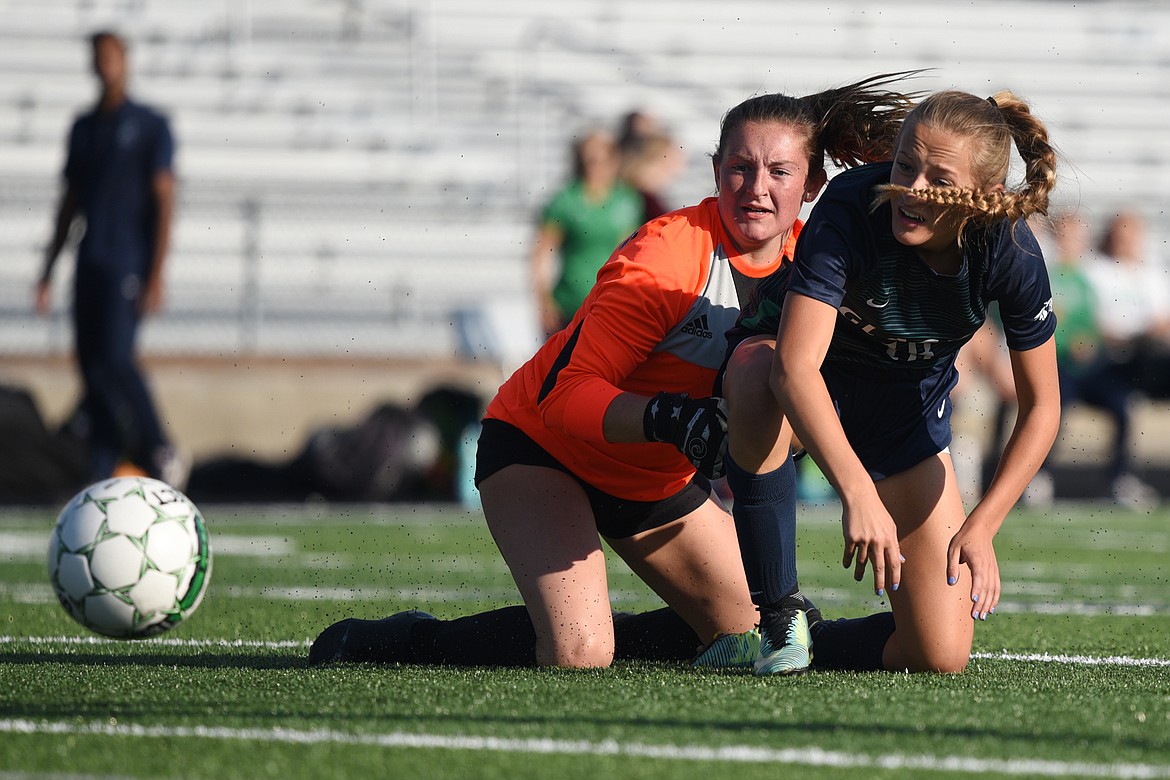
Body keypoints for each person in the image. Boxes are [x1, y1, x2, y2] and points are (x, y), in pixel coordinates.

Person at [308, 74, 917, 671]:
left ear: (813, 184)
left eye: (779, 172)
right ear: (714, 172)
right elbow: (565, 398)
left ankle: (619, 621)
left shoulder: (816, 269)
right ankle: (406, 643)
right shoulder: (667, 255)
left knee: (751, 631)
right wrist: (675, 421)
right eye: (739, 167)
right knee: (580, 652)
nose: (756, 189)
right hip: (544, 448)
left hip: (649, 477)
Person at [722, 89, 1061, 673]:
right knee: (756, 372)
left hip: (904, 416)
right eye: (905, 164)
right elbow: (794, 369)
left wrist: (984, 523)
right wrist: (856, 491)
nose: (911, 186)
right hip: (808, 394)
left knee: (940, 656)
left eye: (938, 175)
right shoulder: (853, 204)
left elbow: (1042, 408)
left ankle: (812, 639)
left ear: (982, 195)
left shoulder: (1011, 250)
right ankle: (775, 610)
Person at [35, 30, 186, 489]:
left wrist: (156, 273)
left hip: (127, 261)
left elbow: (164, 201)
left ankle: (159, 445)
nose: (105, 65)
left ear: (125, 60)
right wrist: (48, 268)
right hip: (90, 261)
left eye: (112, 57)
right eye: (98, 58)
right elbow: (70, 202)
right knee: (90, 365)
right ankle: (101, 461)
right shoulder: (84, 128)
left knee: (118, 359)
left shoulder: (148, 125)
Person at [1042, 211, 1157, 508]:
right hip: (1058, 366)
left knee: (1122, 403)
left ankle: (1120, 479)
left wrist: (1093, 339)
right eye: (1066, 235)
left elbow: (1104, 321)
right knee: (1052, 410)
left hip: (1091, 369)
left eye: (1077, 236)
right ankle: (1039, 477)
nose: (1072, 242)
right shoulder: (1046, 273)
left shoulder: (1089, 276)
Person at [529, 129, 646, 337]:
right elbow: (542, 252)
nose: (596, 166)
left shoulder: (626, 200)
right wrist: (544, 301)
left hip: (609, 304)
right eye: (590, 160)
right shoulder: (566, 200)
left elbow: (631, 254)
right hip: (569, 304)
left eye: (603, 159)